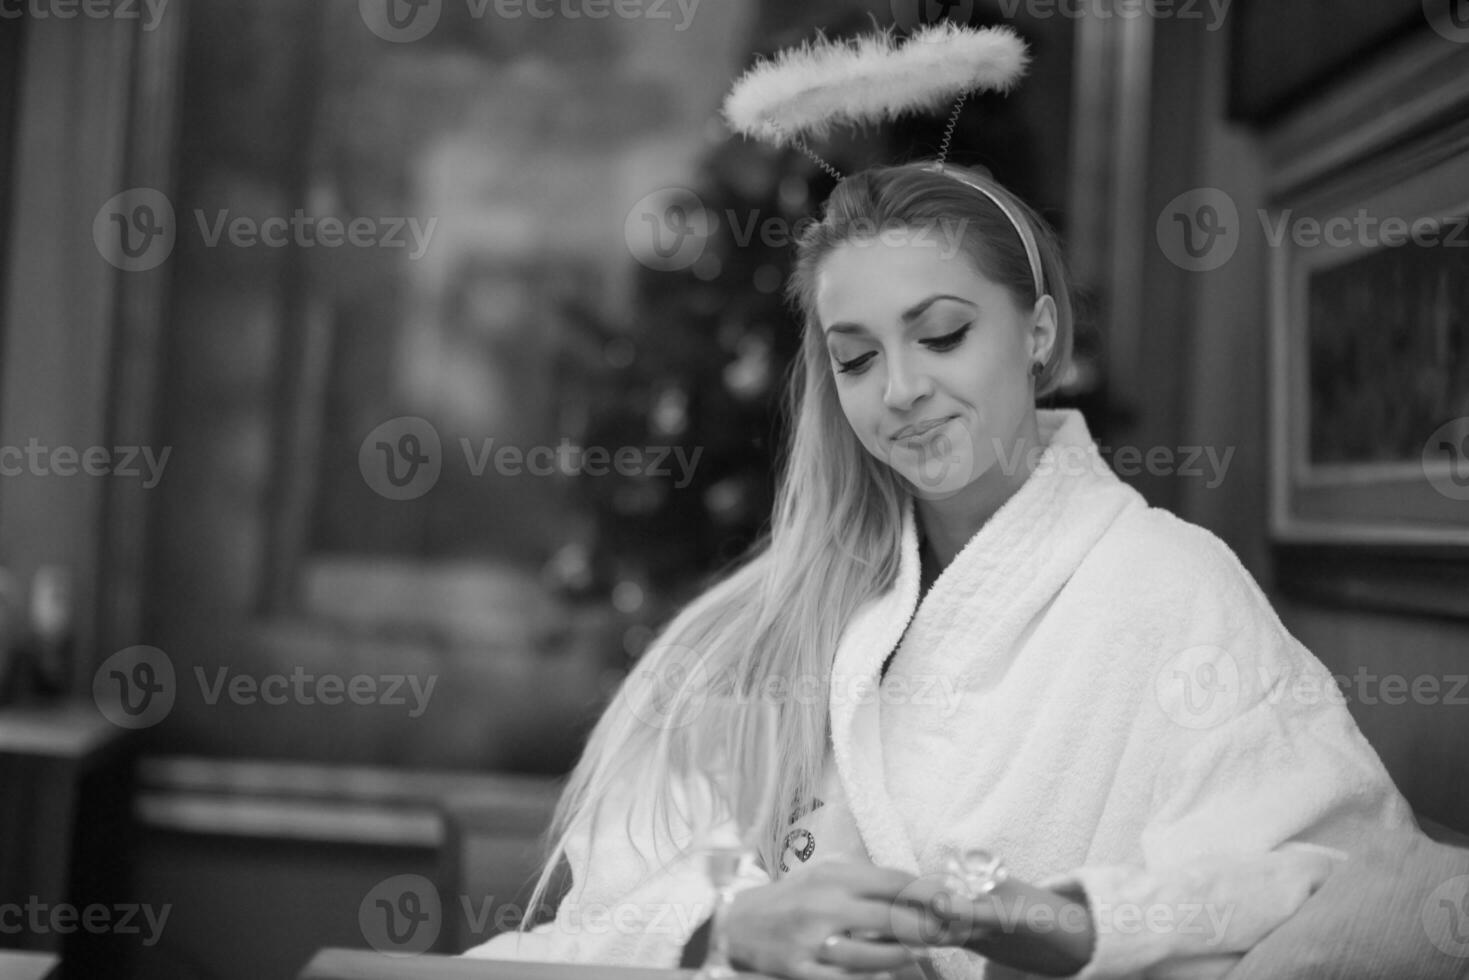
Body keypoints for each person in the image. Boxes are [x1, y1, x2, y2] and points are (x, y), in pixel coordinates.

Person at [462, 161, 1418, 979]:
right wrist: (729, 923)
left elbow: (1352, 883)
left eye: (943, 334)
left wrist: (1086, 923)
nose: (903, 390)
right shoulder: (762, 624)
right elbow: (618, 890)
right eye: (857, 358)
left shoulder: (1170, 587)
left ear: (1038, 333)